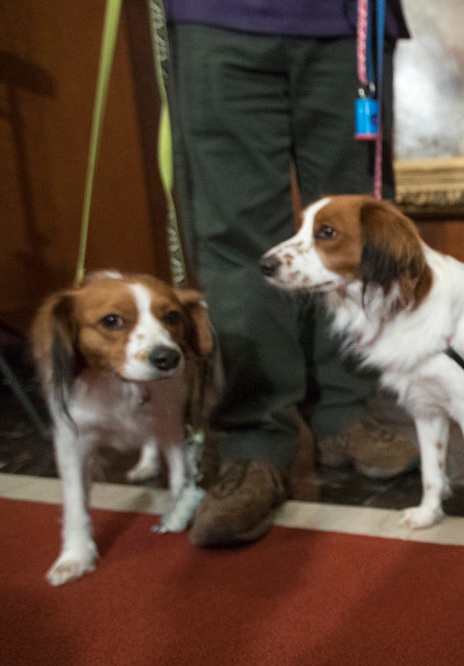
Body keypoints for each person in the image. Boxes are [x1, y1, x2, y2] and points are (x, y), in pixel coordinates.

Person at [167, 0, 418, 547]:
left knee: (357, 228)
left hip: (346, 23)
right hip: (217, 20)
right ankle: (254, 442)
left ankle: (346, 409)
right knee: (237, 236)